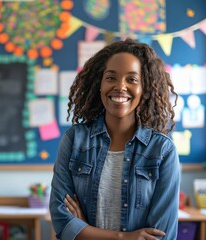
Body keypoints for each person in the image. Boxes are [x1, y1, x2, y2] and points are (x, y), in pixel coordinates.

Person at [49, 38, 180, 240]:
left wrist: (85, 231)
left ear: (144, 88)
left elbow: (160, 237)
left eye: (132, 79)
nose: (120, 86)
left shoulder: (162, 151)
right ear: (99, 84)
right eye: (111, 77)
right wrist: (124, 237)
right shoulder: (75, 140)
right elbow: (63, 223)